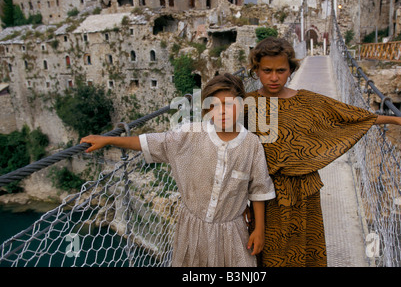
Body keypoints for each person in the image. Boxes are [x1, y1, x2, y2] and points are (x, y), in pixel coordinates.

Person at [245, 37, 401, 267]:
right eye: (267, 70)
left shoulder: (307, 100)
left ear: (291, 69)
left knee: (304, 252)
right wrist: (241, 205)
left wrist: (397, 120)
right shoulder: (248, 104)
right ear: (256, 70)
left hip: (304, 192)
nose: (274, 77)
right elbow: (237, 156)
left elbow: (350, 116)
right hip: (266, 195)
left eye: (281, 70)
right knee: (270, 254)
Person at [80, 74, 275, 267]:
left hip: (232, 233)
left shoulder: (251, 145)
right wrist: (109, 140)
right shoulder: (190, 135)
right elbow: (153, 142)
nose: (222, 112)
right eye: (215, 106)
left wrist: (259, 229)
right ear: (207, 110)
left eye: (229, 104)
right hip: (192, 230)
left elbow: (258, 189)